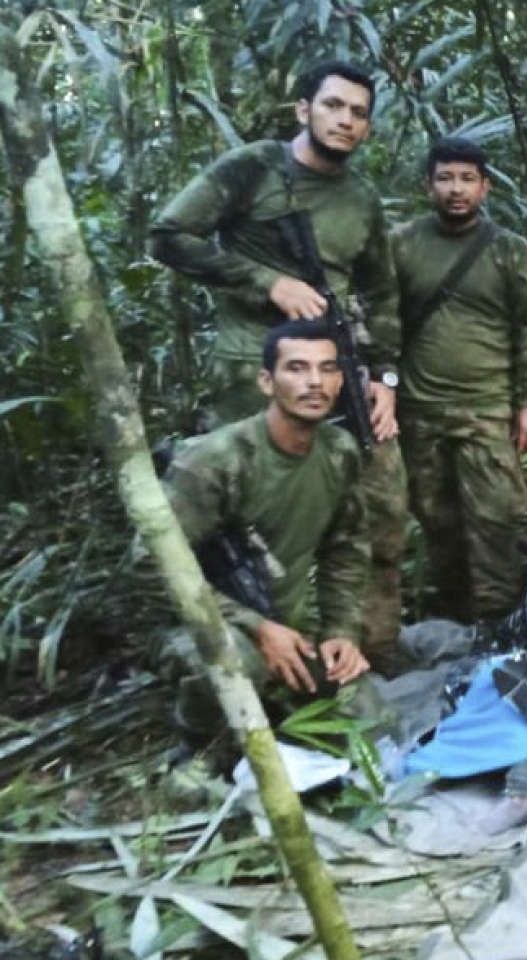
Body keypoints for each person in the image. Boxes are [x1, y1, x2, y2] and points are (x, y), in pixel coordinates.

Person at [149, 60, 408, 671]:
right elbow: (168, 235)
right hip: (253, 374)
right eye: (334, 106)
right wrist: (268, 282)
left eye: (358, 113)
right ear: (304, 110)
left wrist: (386, 380)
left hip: (341, 372)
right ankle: (248, 654)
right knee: (249, 520)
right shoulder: (254, 169)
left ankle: (364, 652)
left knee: (379, 508)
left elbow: (385, 296)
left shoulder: (361, 200)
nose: (345, 120)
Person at [160, 322, 372, 733]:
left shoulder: (339, 451)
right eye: (296, 368)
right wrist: (255, 628)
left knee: (369, 717)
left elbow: (346, 548)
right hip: (204, 622)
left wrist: (341, 632)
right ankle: (198, 745)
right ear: (266, 381)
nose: (314, 382)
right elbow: (152, 569)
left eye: (327, 369)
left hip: (288, 623)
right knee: (235, 666)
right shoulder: (215, 462)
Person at [390, 137, 527, 623]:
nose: (455, 189)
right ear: (428, 185)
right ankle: (455, 620)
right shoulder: (401, 244)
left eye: (466, 179)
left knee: (498, 522)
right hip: (419, 410)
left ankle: (502, 621)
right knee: (438, 522)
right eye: (445, 178)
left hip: (488, 408)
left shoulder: (509, 250)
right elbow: (379, 320)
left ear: (484, 188)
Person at [404, 530, 527, 834]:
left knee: (519, 722)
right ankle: (452, 750)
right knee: (489, 678)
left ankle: (522, 792)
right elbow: (514, 645)